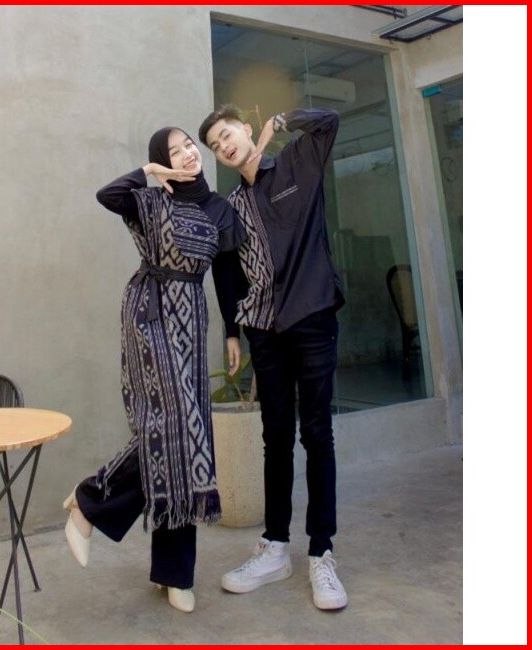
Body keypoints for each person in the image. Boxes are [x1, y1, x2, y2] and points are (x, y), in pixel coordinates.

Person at [62, 126, 246, 614]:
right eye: (174, 151)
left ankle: (173, 573)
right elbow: (108, 195)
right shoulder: (151, 198)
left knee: (186, 438)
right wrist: (148, 172)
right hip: (149, 312)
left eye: (189, 146)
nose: (186, 155)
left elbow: (227, 275)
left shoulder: (219, 209)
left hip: (192, 320)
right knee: (170, 426)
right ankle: (90, 502)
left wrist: (232, 332)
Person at [199, 105, 348, 611]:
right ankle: (276, 547)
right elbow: (225, 269)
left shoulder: (296, 165)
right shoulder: (231, 206)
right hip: (264, 329)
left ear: (246, 129)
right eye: (215, 145)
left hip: (312, 316)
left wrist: (282, 122)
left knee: (318, 433)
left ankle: (321, 553)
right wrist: (232, 331)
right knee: (276, 437)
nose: (224, 146)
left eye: (227, 135)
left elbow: (329, 121)